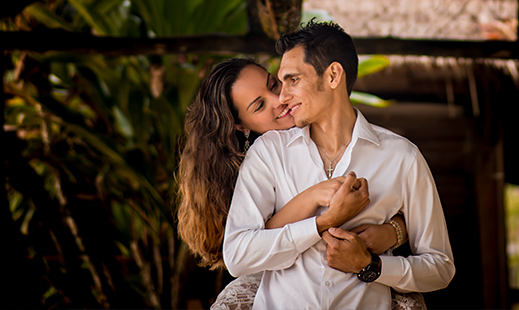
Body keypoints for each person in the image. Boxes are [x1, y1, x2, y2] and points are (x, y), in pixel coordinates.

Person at [223, 21, 454, 310]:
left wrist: (371, 265)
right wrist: (319, 224)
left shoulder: (402, 158)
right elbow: (237, 256)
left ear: (332, 75)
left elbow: (440, 267)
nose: (282, 97)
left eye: (292, 80)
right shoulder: (269, 153)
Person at [176, 57, 423, 310]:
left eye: (273, 85)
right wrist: (314, 202)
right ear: (240, 125)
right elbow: (243, 251)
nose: (279, 99)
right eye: (259, 105)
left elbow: (399, 205)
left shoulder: (357, 138)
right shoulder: (258, 159)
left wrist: (395, 230)